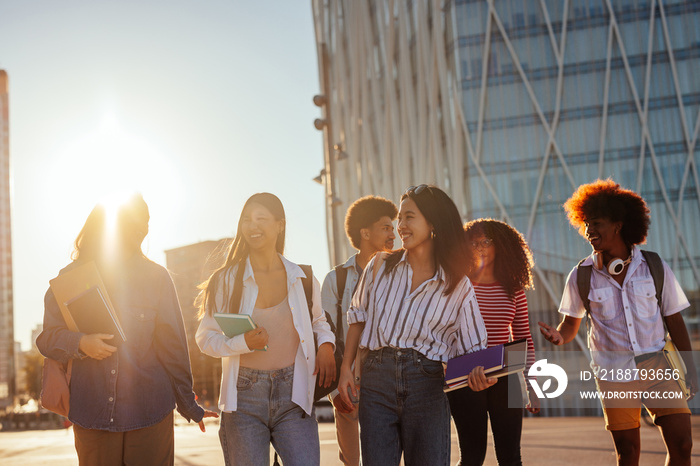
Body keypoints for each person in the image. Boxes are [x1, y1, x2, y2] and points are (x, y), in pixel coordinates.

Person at [36, 193, 217, 466]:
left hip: (150, 413)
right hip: (92, 414)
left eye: (144, 222)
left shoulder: (157, 278)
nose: (141, 229)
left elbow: (174, 349)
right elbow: (46, 339)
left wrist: (190, 406)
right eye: (133, 221)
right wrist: (81, 343)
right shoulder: (71, 277)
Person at [539, 179, 697, 466]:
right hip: (613, 373)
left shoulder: (654, 266)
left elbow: (674, 319)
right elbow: (570, 324)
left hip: (657, 366)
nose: (589, 231)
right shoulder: (581, 276)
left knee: (683, 444)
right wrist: (559, 336)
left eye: (596, 223)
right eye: (586, 224)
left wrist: (691, 368)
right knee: (628, 453)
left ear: (618, 225)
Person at [337, 184, 495, 466]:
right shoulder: (379, 265)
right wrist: (346, 369)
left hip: (428, 385)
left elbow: (474, 351)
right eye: (400, 218)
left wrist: (482, 375)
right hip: (376, 381)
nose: (400, 226)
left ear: (432, 222)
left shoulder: (458, 285)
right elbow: (357, 318)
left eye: (409, 217)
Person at [195, 192, 336, 466]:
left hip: (294, 395)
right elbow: (205, 338)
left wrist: (327, 345)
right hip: (244, 397)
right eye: (247, 219)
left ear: (280, 225)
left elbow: (319, 321)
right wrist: (242, 342)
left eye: (261, 218)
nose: (252, 225)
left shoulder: (302, 277)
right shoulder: (226, 280)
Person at [447, 219, 539, 466]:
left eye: (486, 241)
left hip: (506, 376)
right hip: (466, 378)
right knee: (472, 458)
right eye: (473, 243)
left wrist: (532, 385)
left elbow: (523, 338)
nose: (479, 247)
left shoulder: (514, 287)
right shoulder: (457, 285)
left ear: (500, 245)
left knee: (511, 458)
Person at [321, 195, 398, 466]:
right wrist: (333, 392)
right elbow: (325, 334)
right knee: (351, 459)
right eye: (386, 227)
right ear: (365, 232)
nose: (393, 233)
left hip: (389, 380)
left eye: (393, 227)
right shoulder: (337, 279)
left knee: (384, 457)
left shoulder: (402, 273)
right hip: (349, 382)